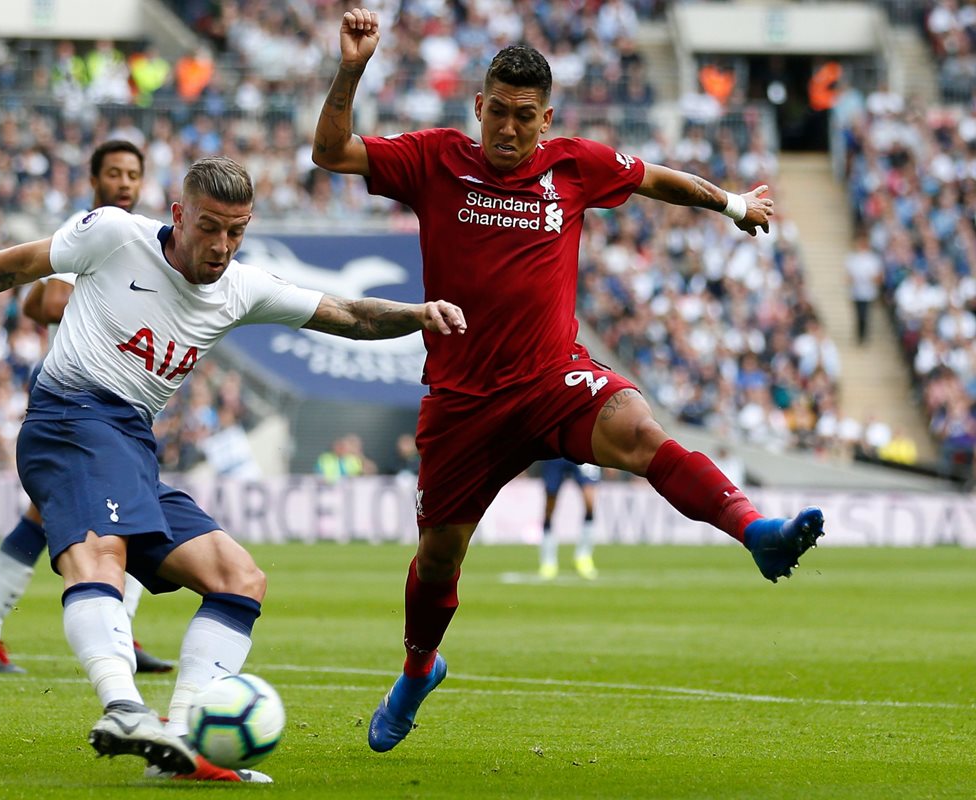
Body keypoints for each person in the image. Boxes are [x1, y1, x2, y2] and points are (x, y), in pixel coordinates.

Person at [311, 8, 825, 754]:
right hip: (463, 402)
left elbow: (653, 178)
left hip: (552, 377)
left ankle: (756, 531)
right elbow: (330, 153)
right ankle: (418, 671)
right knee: (438, 559)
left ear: (546, 119)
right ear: (478, 107)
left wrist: (734, 204)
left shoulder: (574, 165)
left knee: (640, 431)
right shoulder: (432, 159)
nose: (510, 131)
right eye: (500, 114)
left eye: (527, 118)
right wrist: (354, 67)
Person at [0, 155, 466, 781]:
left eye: (237, 231)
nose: (222, 245)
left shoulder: (241, 288)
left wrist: (418, 315)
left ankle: (183, 745)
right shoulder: (115, 235)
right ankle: (123, 707)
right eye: (210, 227)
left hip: (130, 444)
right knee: (102, 553)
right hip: (69, 417)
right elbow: (21, 265)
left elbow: (350, 314)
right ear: (180, 215)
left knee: (238, 577)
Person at [0, 141, 172, 677]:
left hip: (107, 398)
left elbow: (33, 301)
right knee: (136, 508)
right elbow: (47, 301)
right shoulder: (95, 228)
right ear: (94, 178)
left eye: (133, 175)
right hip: (77, 398)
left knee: (46, 517)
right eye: (114, 173)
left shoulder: (137, 239)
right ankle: (108, 630)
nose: (124, 183)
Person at [536, 459, 599, 580]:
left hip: (582, 452)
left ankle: (583, 557)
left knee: (590, 501)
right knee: (550, 505)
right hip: (555, 455)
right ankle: (548, 561)